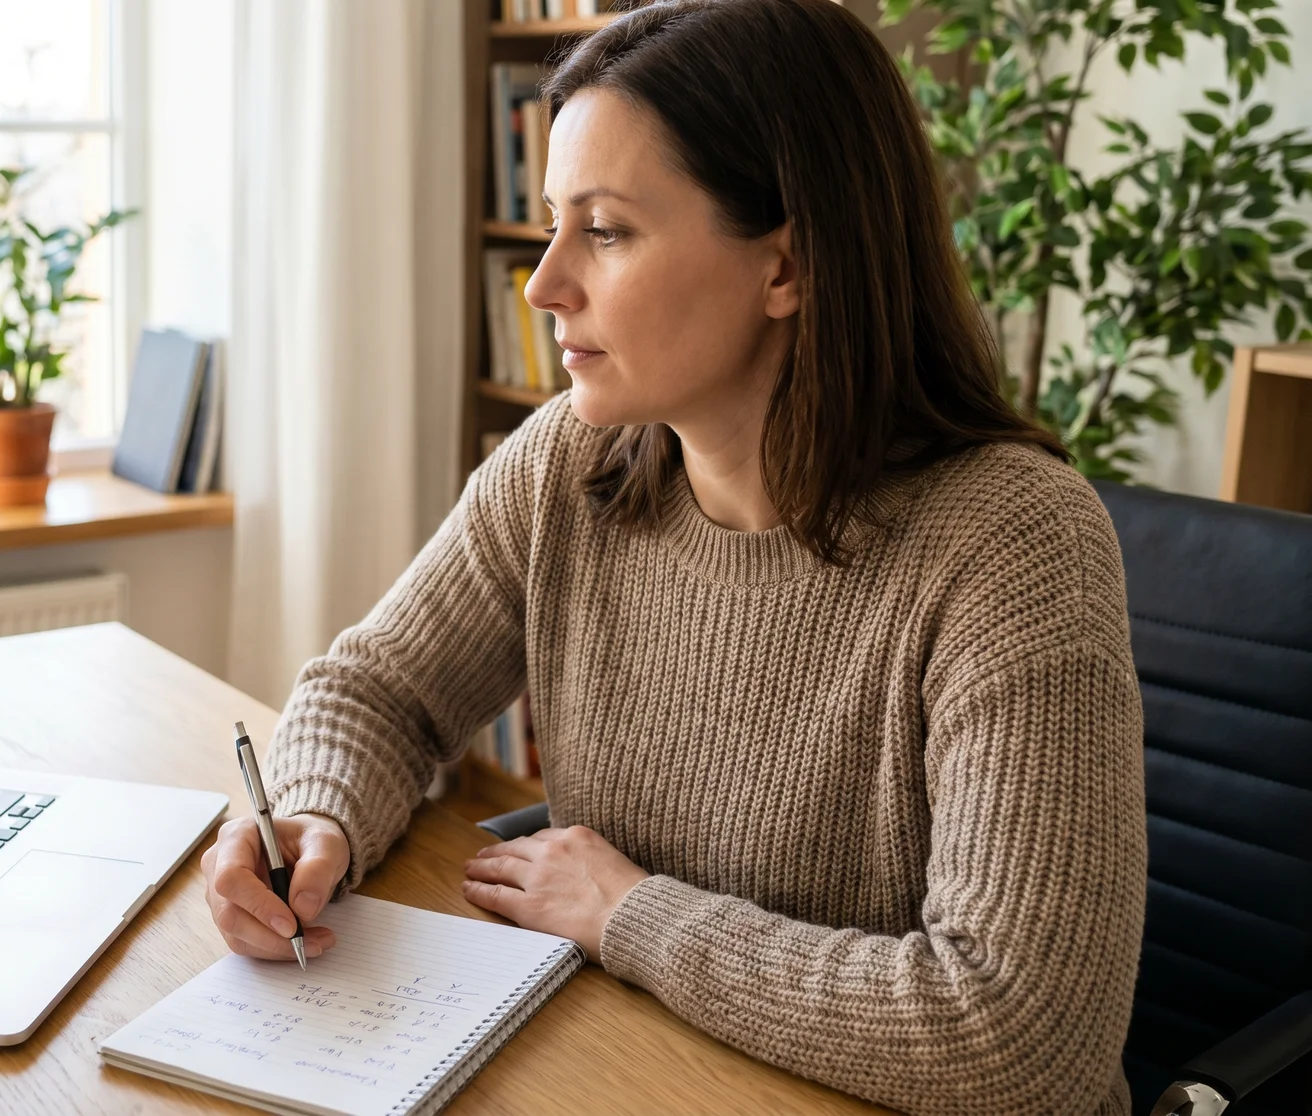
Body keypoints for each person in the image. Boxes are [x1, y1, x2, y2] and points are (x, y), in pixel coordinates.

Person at [200, 0, 1148, 1112]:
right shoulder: (570, 462)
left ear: (785, 267)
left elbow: (1016, 1039)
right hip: (647, 1070)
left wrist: (624, 913)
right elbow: (378, 690)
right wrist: (315, 813)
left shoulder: (1011, 545)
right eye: (552, 223)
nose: (543, 283)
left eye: (603, 230)